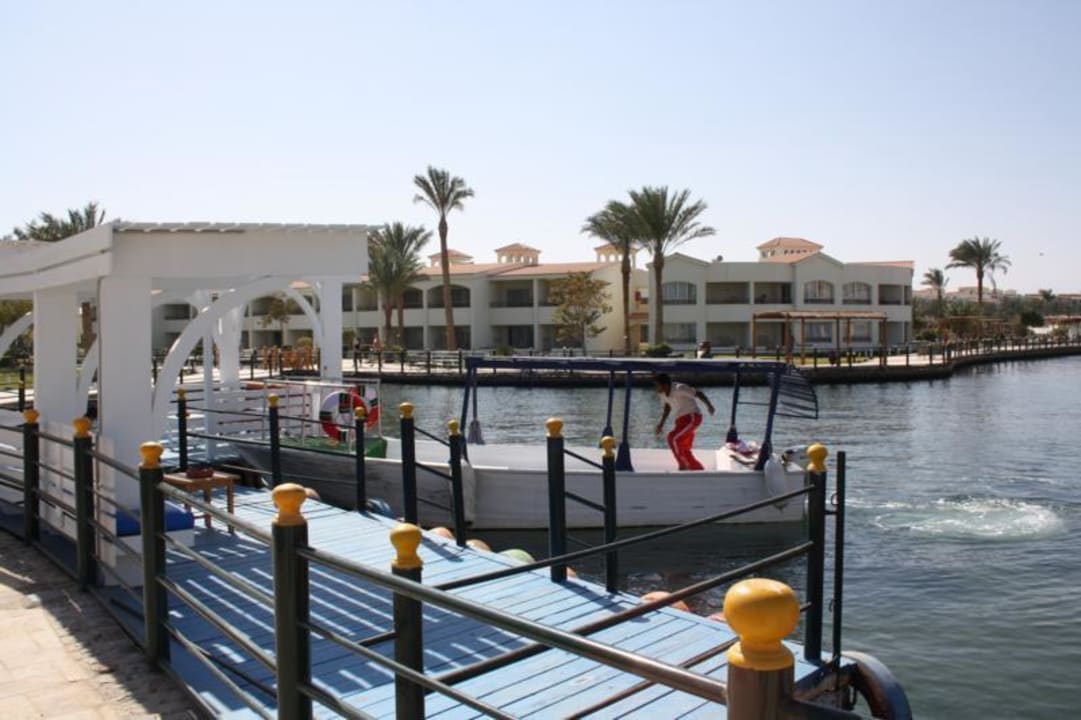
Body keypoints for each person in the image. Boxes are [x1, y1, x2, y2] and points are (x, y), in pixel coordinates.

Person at [653, 373, 715, 471]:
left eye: (657, 385)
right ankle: (698, 470)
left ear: (665, 385)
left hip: (692, 417)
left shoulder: (680, 388)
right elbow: (667, 406)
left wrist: (709, 406)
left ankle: (683, 466)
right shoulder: (663, 394)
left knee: (672, 438)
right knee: (683, 448)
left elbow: (698, 393)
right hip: (680, 421)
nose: (655, 388)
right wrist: (661, 424)